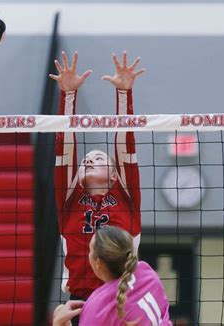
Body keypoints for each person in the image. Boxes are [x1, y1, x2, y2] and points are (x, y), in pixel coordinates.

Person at [50, 51, 145, 324]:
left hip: (121, 298)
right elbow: (64, 151)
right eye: (86, 160)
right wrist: (68, 96)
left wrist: (124, 93)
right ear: (77, 175)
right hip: (80, 302)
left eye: (99, 158)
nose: (90, 159)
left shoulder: (125, 195)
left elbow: (125, 146)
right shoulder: (69, 201)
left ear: (115, 176)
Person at [53, 226, 172, 326]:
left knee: (58, 313)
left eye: (90, 250)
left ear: (98, 263)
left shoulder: (97, 307)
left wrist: (58, 324)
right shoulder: (147, 272)